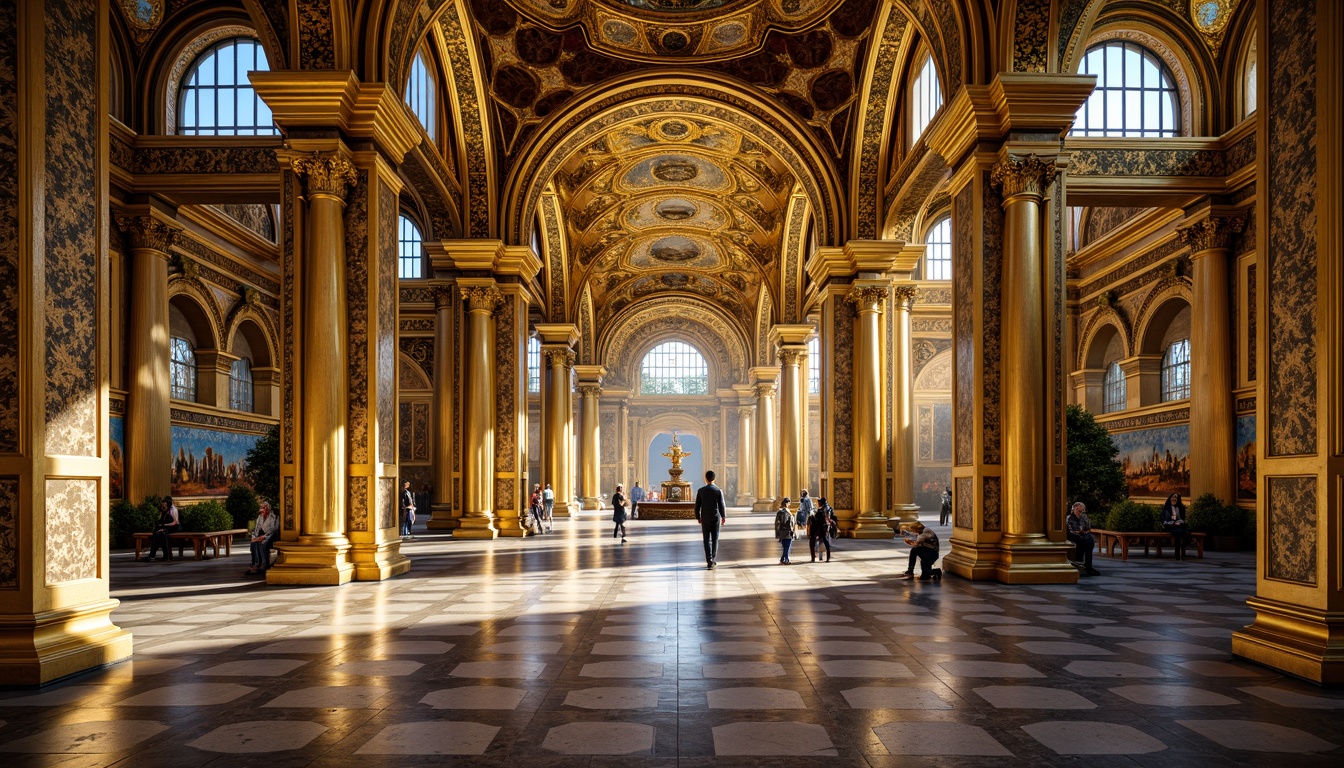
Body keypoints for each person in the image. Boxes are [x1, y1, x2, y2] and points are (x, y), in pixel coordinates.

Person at [694, 470, 727, 569]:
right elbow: (721, 505)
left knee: (706, 540)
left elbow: (697, 506)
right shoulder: (718, 490)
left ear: (705, 478)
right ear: (714, 478)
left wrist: (698, 517)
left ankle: (708, 559)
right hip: (716, 518)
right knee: (715, 539)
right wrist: (723, 516)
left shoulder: (701, 491)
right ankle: (713, 558)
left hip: (705, 518)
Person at [1067, 501, 1101, 576]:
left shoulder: (1083, 517)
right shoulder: (1069, 518)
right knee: (1088, 540)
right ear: (1076, 509)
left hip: (1083, 536)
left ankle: (1088, 566)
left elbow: (1088, 527)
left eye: (1083, 511)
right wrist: (1082, 530)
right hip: (1073, 536)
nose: (1082, 512)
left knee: (1090, 539)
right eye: (1081, 510)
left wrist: (1084, 524)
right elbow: (1074, 529)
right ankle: (1087, 566)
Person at [245, 500, 279, 575]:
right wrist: (254, 537)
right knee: (253, 543)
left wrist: (264, 536)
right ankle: (256, 563)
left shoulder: (273, 517)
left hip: (270, 535)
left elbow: (273, 529)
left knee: (263, 543)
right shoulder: (260, 517)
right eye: (261, 508)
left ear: (267, 508)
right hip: (261, 534)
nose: (261, 510)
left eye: (263, 508)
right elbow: (256, 528)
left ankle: (264, 563)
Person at [146, 496, 180, 562]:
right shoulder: (163, 510)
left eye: (164, 503)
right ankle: (153, 555)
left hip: (172, 527)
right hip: (165, 527)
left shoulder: (173, 510)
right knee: (157, 533)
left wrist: (164, 526)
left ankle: (161, 555)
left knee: (162, 534)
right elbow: (161, 521)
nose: (163, 504)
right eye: (163, 503)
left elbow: (174, 522)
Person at [1161, 492, 1190, 560]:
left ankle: (1181, 551)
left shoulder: (1181, 508)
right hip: (1170, 526)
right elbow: (1165, 520)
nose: (1174, 499)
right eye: (1173, 497)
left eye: (1176, 498)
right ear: (1170, 498)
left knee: (1186, 533)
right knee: (1179, 533)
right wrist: (1173, 523)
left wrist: (1179, 522)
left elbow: (1182, 519)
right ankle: (1178, 554)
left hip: (1179, 525)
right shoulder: (1166, 508)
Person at [808, 497, 832, 562]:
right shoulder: (829, 508)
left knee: (812, 541)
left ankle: (813, 558)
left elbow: (817, 519)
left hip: (819, 527)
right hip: (825, 527)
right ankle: (828, 557)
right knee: (825, 541)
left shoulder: (821, 510)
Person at [774, 497, 796, 564]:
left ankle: (782, 560)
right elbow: (789, 523)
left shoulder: (779, 512)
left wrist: (778, 533)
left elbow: (776, 523)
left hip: (781, 531)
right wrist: (792, 531)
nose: (789, 504)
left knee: (785, 547)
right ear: (787, 503)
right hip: (788, 531)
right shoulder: (786, 512)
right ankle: (786, 560)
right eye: (789, 502)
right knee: (787, 547)